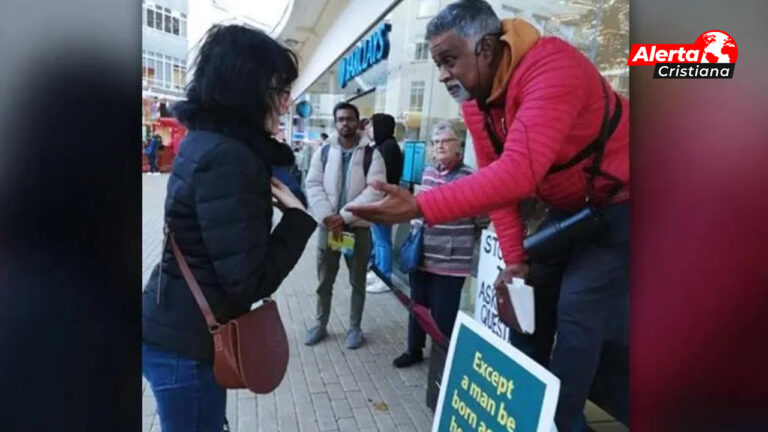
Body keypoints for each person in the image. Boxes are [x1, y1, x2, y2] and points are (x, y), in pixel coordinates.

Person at [347, 1, 630, 430]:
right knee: (524, 301)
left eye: (448, 60)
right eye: (438, 63)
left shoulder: (553, 67)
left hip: (623, 205)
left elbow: (517, 174)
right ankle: (524, 413)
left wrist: (421, 205)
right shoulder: (477, 100)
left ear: (485, 48)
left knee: (577, 312)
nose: (442, 74)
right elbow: (499, 183)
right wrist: (515, 261)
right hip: (573, 209)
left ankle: (562, 421)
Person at [141, 24, 317, 432]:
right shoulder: (231, 159)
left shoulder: (206, 142)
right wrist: (296, 221)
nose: (286, 103)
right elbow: (247, 284)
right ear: (247, 88)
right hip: (187, 346)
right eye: (279, 89)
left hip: (175, 330)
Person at [393, 121, 487, 368]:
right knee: (417, 308)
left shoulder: (470, 178)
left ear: (459, 146)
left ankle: (442, 361)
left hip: (450, 262)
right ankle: (414, 350)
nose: (440, 146)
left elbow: (482, 219)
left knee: (443, 318)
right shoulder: (427, 172)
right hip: (422, 256)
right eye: (436, 142)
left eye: (446, 141)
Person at [304, 102, 386, 349]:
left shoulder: (373, 154)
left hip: (357, 228)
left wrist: (344, 216)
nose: (344, 123)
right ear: (335, 122)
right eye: (340, 119)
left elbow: (375, 191)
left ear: (358, 122)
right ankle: (320, 324)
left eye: (349, 119)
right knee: (324, 281)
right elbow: (313, 184)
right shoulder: (325, 152)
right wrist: (327, 216)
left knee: (357, 281)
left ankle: (354, 327)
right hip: (329, 227)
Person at [363, 113, 404, 293]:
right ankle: (379, 271)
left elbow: (384, 176)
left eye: (372, 125)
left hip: (384, 200)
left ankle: (385, 275)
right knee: (378, 238)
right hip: (378, 199)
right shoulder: (383, 146)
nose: (368, 129)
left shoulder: (388, 147)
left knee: (382, 240)